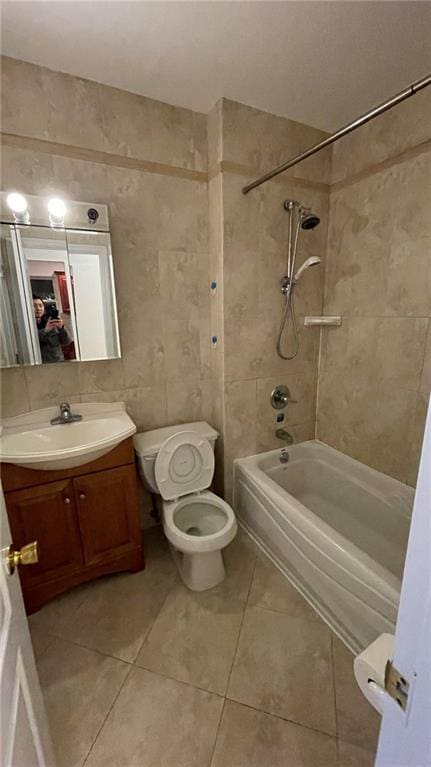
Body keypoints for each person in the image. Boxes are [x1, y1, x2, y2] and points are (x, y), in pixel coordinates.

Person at [32, 294, 72, 363]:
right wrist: (45, 331)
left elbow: (67, 341)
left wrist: (61, 328)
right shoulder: (28, 326)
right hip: (40, 365)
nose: (38, 308)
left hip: (58, 363)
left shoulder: (51, 322)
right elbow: (31, 342)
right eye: (34, 306)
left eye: (40, 305)